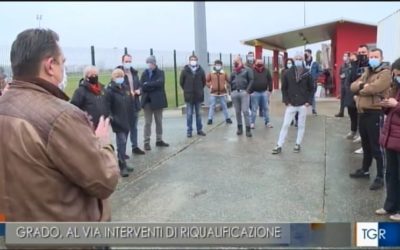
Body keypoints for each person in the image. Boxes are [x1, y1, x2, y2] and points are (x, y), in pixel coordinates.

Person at [0, 28, 119, 222]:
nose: (64, 68)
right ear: (50, 65)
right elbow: (104, 181)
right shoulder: (61, 117)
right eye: (62, 62)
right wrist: (103, 143)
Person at [349, 48, 391, 191]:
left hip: (375, 113)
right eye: (371, 56)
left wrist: (363, 88)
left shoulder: (385, 73)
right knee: (365, 145)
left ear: (381, 57)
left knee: (376, 147)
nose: (373, 58)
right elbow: (352, 86)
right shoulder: (367, 71)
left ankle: (380, 176)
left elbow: (374, 88)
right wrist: (363, 86)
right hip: (362, 113)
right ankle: (365, 170)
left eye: (376, 56)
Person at [272, 52, 314, 154]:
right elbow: (284, 89)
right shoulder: (287, 73)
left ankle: (297, 144)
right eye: (297, 58)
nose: (298, 60)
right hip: (291, 103)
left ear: (303, 60)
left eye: (300, 58)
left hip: (303, 104)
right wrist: (286, 101)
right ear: (294, 60)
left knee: (301, 125)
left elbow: (311, 88)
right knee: (285, 124)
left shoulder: (307, 73)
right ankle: (279, 145)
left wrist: (308, 101)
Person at [376, 57, 400, 221]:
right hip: (391, 138)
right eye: (396, 74)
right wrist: (386, 105)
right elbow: (391, 112)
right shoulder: (396, 88)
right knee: (391, 173)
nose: (397, 76)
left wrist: (396, 105)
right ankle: (390, 205)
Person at [105, 68, 133, 177]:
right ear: (113, 77)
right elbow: (107, 106)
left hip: (126, 119)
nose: (120, 78)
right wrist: (112, 118)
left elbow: (130, 101)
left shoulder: (125, 88)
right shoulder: (110, 90)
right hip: (118, 121)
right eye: (117, 76)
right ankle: (122, 165)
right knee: (121, 142)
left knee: (124, 143)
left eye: (121, 76)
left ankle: (123, 162)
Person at [116, 54, 145, 155]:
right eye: (126, 61)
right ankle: (122, 151)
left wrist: (139, 91)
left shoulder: (134, 73)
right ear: (122, 61)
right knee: (124, 129)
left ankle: (135, 146)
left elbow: (140, 86)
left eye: (129, 61)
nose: (128, 63)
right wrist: (128, 93)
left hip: (135, 103)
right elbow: (117, 88)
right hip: (124, 105)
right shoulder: (118, 73)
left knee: (134, 127)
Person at [140, 55, 169, 150]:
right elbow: (142, 86)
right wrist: (150, 85)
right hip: (147, 101)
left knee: (159, 121)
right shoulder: (144, 74)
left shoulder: (160, 73)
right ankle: (146, 142)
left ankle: (159, 140)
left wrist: (148, 84)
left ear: (154, 63)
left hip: (158, 101)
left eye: (151, 63)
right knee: (147, 122)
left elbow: (160, 83)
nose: (149, 65)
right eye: (148, 63)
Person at [180, 55, 207, 137]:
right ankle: (189, 131)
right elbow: (181, 82)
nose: (193, 61)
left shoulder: (201, 70)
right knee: (189, 114)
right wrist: (187, 89)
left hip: (198, 96)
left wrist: (199, 89)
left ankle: (199, 130)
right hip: (189, 96)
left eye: (194, 60)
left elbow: (204, 82)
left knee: (198, 114)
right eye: (191, 59)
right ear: (189, 61)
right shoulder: (185, 71)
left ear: (197, 61)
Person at [230, 55, 254, 137]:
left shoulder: (247, 70)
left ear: (240, 61)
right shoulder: (233, 71)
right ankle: (239, 128)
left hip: (244, 92)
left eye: (236, 61)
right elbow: (230, 81)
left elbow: (251, 80)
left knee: (245, 111)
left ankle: (248, 129)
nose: (234, 62)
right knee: (237, 112)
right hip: (235, 93)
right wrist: (231, 91)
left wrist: (247, 91)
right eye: (234, 61)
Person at [206, 59, 232, 125]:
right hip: (213, 93)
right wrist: (210, 86)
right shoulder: (211, 73)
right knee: (212, 106)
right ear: (214, 65)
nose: (218, 66)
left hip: (223, 93)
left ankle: (227, 118)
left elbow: (229, 81)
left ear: (221, 65)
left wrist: (226, 86)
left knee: (224, 106)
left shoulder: (224, 73)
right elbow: (206, 81)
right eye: (217, 65)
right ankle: (210, 119)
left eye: (219, 65)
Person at [250, 58, 273, 128]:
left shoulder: (266, 70)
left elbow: (270, 80)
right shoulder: (252, 71)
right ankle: (252, 123)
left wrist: (270, 90)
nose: (260, 64)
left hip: (264, 92)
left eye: (261, 62)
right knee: (254, 109)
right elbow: (249, 81)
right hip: (255, 93)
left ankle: (267, 122)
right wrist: (250, 92)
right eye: (258, 62)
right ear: (255, 63)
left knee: (266, 108)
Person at [342, 52, 359, 140]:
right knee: (351, 114)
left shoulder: (358, 67)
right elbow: (346, 80)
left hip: (356, 94)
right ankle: (353, 130)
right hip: (349, 94)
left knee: (358, 115)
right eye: (351, 58)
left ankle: (359, 133)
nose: (351, 59)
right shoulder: (348, 67)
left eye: (353, 58)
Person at [304, 49, 321, 115]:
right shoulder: (303, 62)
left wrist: (315, 77)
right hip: (304, 82)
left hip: (312, 82)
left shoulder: (315, 63)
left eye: (307, 53)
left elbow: (320, 71)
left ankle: (313, 109)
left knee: (312, 95)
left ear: (310, 54)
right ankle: (304, 109)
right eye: (305, 53)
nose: (305, 55)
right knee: (304, 95)